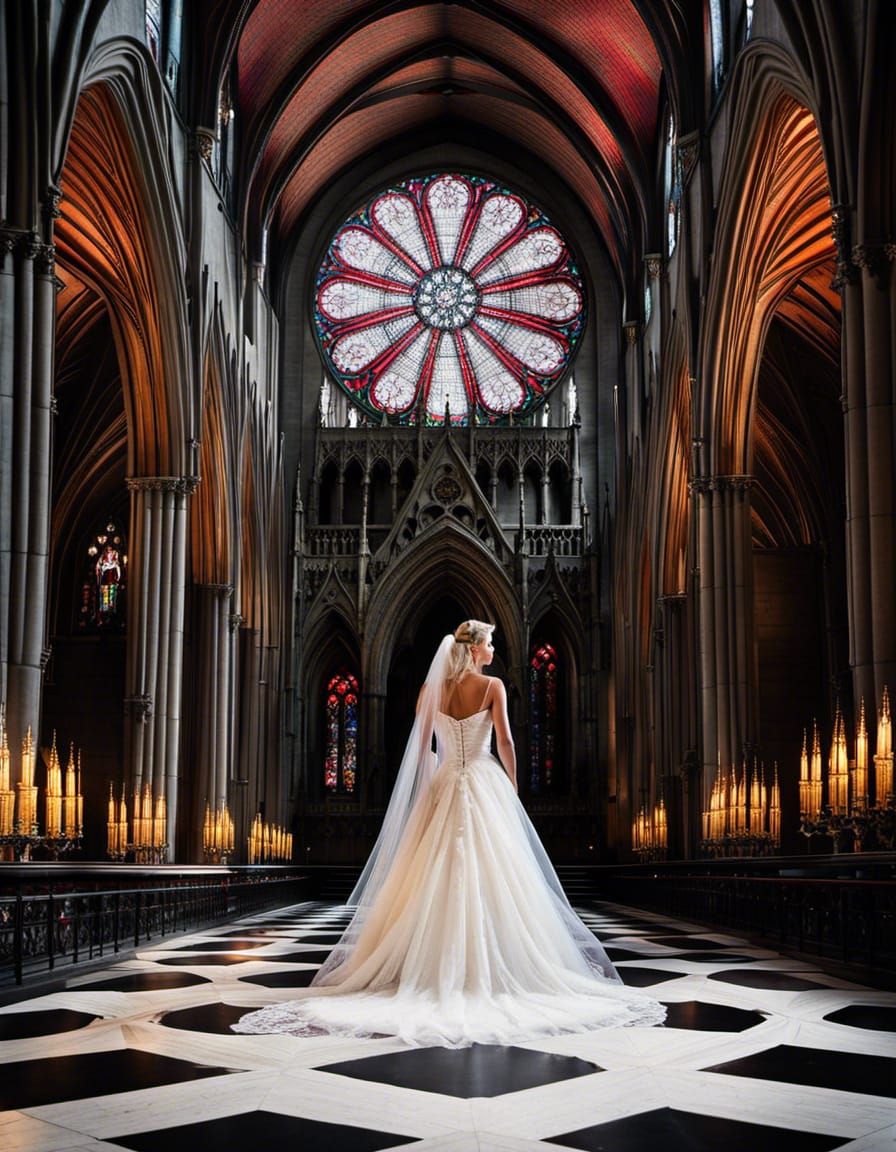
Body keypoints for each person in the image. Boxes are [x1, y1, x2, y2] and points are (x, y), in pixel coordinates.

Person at [233, 620, 665, 1046]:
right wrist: (512, 787)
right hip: (482, 780)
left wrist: (426, 792)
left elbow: (421, 750)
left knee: (433, 877)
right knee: (495, 875)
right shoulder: (492, 687)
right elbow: (507, 743)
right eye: (491, 643)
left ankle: (430, 968)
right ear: (477, 648)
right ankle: (489, 969)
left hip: (443, 784)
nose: (494, 649)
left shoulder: (430, 691)